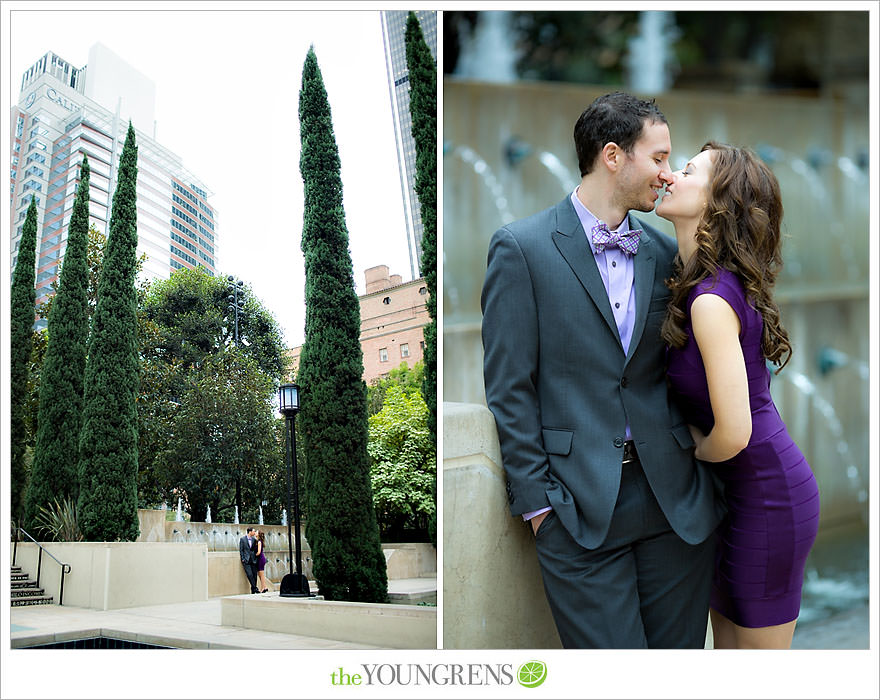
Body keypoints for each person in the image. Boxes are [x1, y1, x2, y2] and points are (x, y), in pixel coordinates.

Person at [481, 92, 725, 648]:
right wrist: (540, 507)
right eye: (659, 157)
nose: (667, 173)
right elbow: (509, 388)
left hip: (674, 505)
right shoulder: (521, 249)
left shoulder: (665, 254)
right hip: (578, 508)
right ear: (613, 156)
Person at [656, 141, 820, 649]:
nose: (669, 176)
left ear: (716, 202)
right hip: (735, 498)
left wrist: (688, 445)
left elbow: (734, 432)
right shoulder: (698, 284)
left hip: (767, 499)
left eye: (686, 171)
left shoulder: (709, 299)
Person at [238, 526, 260, 594]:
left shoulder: (254, 540)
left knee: (254, 575)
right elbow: (241, 550)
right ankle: (255, 588)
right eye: (253, 531)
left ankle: (253, 590)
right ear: (250, 532)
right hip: (246, 560)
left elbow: (255, 549)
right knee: (249, 574)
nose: (254, 532)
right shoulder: (242, 539)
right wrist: (243, 559)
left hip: (253, 560)